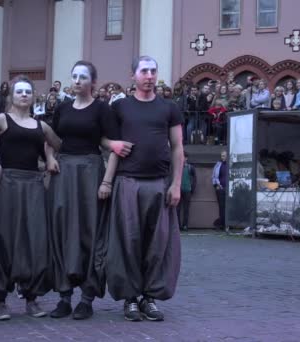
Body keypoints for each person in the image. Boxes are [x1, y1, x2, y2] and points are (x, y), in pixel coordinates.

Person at [47, 61, 132, 320]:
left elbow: (114, 148)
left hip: (91, 172)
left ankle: (86, 298)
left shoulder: (103, 109)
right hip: (64, 173)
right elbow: (53, 138)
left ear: (93, 82)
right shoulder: (62, 108)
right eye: (74, 76)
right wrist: (50, 157)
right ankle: (63, 296)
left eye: (83, 77)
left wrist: (106, 181)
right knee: (62, 229)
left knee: (90, 232)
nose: (77, 81)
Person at [106, 55, 184, 322]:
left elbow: (178, 148)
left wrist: (175, 184)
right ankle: (129, 299)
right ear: (133, 76)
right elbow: (103, 135)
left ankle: (149, 298)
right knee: (128, 242)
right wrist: (112, 145)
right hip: (127, 182)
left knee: (157, 245)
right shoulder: (120, 107)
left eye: (153, 71)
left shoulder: (169, 108)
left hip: (159, 184)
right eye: (144, 71)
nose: (149, 76)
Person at [0, 75, 62, 320]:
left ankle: (31, 297)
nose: (24, 94)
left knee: (34, 240)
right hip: (7, 182)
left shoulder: (41, 126)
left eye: (28, 91)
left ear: (33, 96)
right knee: (5, 238)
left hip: (33, 184)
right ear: (12, 95)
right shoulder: (0, 120)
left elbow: (58, 144)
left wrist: (49, 157)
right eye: (19, 91)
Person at [177, 152, 196, 231]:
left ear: (186, 158)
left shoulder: (190, 168)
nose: (182, 159)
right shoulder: (177, 167)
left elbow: (194, 179)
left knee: (186, 209)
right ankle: (178, 225)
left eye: (184, 157)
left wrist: (192, 189)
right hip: (178, 191)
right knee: (177, 209)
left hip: (187, 190)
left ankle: (185, 225)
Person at [212, 151, 228, 230]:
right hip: (220, 188)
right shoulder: (218, 165)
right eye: (222, 156)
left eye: (224, 156)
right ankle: (222, 224)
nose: (223, 157)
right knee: (221, 207)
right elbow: (214, 177)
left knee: (229, 207)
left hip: (230, 189)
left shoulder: (231, 165)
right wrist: (217, 185)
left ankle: (227, 223)